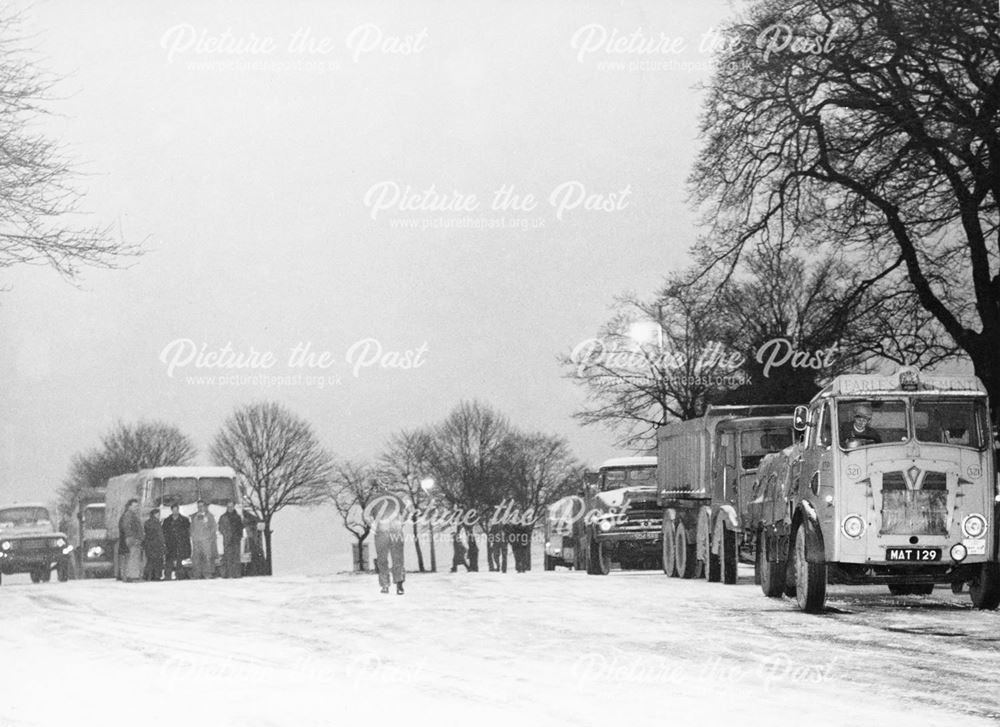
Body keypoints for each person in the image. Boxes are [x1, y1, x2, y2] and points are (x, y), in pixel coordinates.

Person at [370, 491, 406, 595]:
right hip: (381, 532)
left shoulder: (396, 498)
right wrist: (373, 525)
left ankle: (399, 583)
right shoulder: (373, 499)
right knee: (382, 559)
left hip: (395, 531)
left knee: (398, 558)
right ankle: (385, 584)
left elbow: (405, 512)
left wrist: (401, 523)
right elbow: (366, 515)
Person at [162, 504, 191, 580]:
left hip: (180, 544)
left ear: (178, 510)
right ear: (171, 510)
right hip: (170, 544)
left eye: (176, 510)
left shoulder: (185, 520)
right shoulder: (167, 521)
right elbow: (164, 532)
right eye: (174, 510)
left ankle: (180, 577)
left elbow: (187, 533)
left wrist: (186, 545)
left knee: (179, 562)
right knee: (169, 562)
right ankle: (167, 577)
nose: (175, 512)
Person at [190, 500, 217, 579]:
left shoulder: (210, 516)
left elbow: (213, 528)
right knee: (196, 559)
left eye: (201, 506)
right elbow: (192, 527)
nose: (200, 508)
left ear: (205, 507)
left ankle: (207, 574)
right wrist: (193, 536)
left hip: (206, 541)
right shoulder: (194, 516)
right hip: (196, 541)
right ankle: (197, 575)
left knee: (207, 558)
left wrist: (209, 537)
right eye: (199, 506)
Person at [218, 501, 244, 579]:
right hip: (227, 541)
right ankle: (229, 575)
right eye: (228, 506)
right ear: (226, 507)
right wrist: (227, 535)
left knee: (236, 558)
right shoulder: (223, 517)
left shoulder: (238, 517)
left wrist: (238, 537)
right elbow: (221, 528)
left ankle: (237, 575)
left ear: (234, 507)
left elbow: (240, 528)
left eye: (231, 506)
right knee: (228, 558)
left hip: (236, 541)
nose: (230, 508)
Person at [121, 499, 144, 582]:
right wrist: (131, 537)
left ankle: (130, 575)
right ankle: (133, 576)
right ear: (129, 506)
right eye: (134, 506)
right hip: (133, 538)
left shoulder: (132, 514)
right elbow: (127, 526)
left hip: (133, 538)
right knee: (133, 557)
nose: (136, 508)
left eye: (137, 506)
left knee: (133, 556)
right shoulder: (129, 515)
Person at [143, 509, 165, 581]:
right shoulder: (156, 523)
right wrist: (163, 543)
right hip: (157, 544)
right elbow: (159, 534)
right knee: (158, 561)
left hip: (149, 544)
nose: (159, 516)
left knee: (150, 560)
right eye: (158, 514)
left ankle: (147, 575)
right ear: (155, 514)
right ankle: (156, 576)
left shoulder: (147, 522)